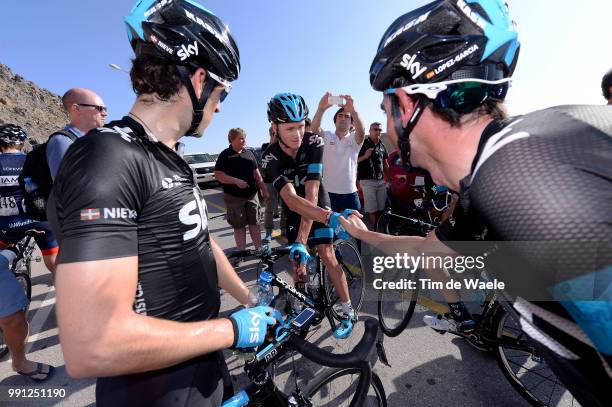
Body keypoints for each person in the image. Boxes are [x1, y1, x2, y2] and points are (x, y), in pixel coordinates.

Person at [340, 1, 612, 405]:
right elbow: (427, 250)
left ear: (408, 105)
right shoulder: (495, 171)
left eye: (385, 108)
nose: (387, 133)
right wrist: (363, 234)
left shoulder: (521, 188)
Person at [47, 1, 278, 405]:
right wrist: (234, 330)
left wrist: (248, 299)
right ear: (201, 80)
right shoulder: (107, 157)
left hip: (200, 359)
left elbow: (201, 243)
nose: (221, 106)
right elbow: (90, 345)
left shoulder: (170, 156)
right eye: (222, 92)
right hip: (152, 389)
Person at [261, 93, 358, 339]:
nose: (298, 133)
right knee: (298, 264)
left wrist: (313, 232)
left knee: (326, 254)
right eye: (290, 128)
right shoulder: (269, 157)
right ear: (275, 127)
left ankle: (348, 310)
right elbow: (293, 201)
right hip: (294, 207)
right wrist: (300, 245)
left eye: (301, 125)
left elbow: (312, 193)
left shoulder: (314, 141)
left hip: (317, 201)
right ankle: (301, 303)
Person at [0, 124, 58, 382]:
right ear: (21, 143)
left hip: (4, 228)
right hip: (39, 223)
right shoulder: (31, 161)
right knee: (56, 263)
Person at [215, 128, 268, 261]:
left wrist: (264, 190)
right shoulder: (225, 155)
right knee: (239, 227)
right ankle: (241, 254)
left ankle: (259, 250)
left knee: (255, 223)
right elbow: (219, 175)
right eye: (241, 138)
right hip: (234, 198)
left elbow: (257, 174)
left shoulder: (249, 154)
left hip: (252, 195)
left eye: (244, 138)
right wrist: (235, 181)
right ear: (232, 139)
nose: (244, 140)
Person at [311, 93, 366, 212]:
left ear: (352, 123)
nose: (343, 118)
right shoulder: (327, 136)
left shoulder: (354, 139)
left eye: (347, 116)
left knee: (353, 229)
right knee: (329, 230)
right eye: (340, 115)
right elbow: (314, 129)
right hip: (328, 193)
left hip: (350, 194)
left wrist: (354, 112)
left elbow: (361, 132)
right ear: (335, 121)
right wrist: (321, 109)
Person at [47, 88, 107, 179]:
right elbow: (65, 187)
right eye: (99, 108)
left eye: (105, 109)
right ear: (77, 109)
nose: (104, 114)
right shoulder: (63, 142)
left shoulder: (93, 140)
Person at [357, 122, 389, 226]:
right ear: (370, 131)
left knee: (381, 208)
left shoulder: (382, 145)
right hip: (367, 181)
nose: (378, 132)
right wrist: (365, 156)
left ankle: (380, 228)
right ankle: (376, 231)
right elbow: (353, 160)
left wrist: (389, 180)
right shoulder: (363, 144)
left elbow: (385, 164)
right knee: (372, 209)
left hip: (380, 181)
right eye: (375, 129)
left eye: (379, 130)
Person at [261, 126, 280, 242]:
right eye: (273, 133)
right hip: (269, 181)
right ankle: (269, 232)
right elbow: (265, 155)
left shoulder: (284, 145)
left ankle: (284, 229)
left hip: (283, 179)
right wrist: (274, 138)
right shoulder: (265, 146)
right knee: (269, 207)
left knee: (287, 207)